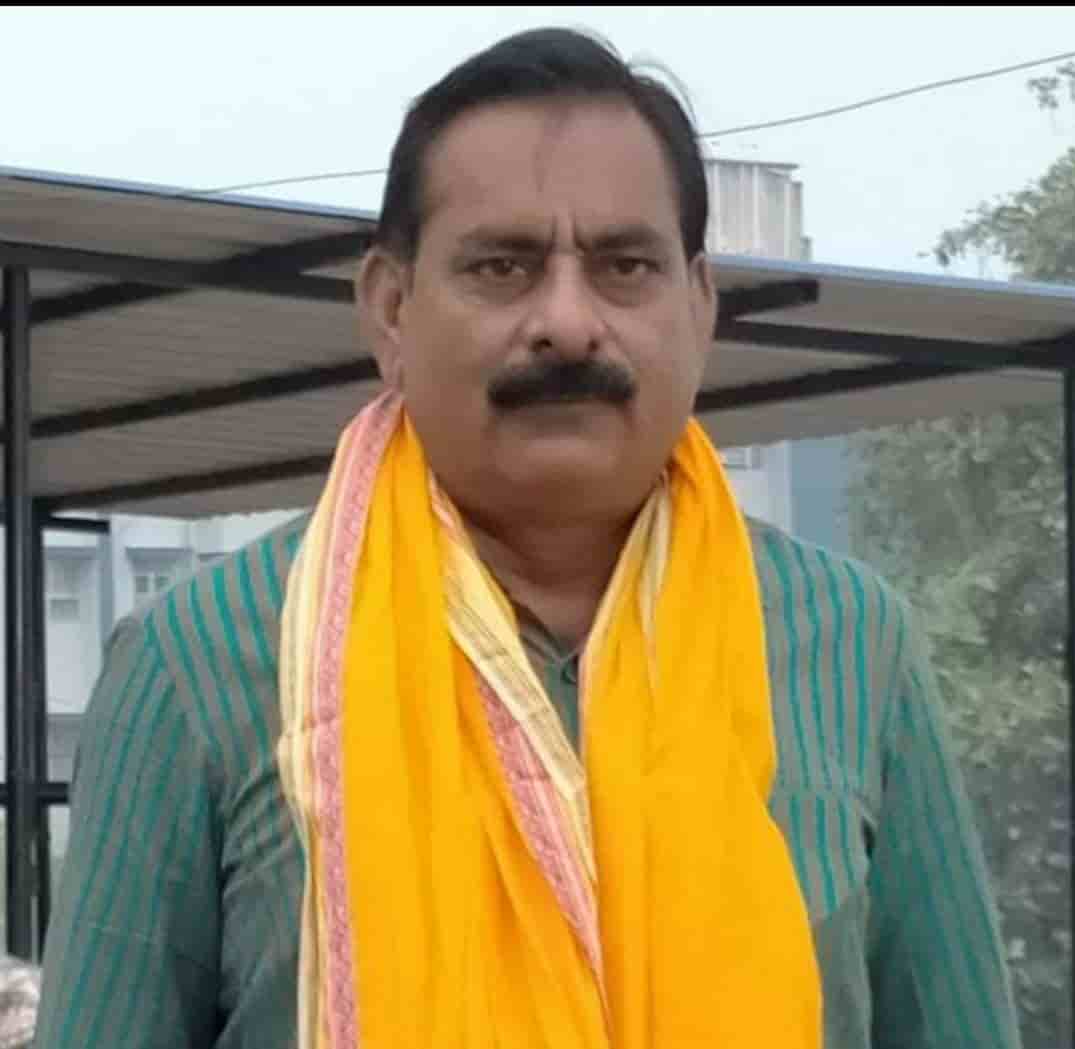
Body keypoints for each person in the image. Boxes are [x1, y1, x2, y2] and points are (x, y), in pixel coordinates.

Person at [36, 27, 1021, 1049]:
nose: (567, 321)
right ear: (390, 309)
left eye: (625, 265)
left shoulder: (852, 644)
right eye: (502, 266)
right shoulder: (199, 663)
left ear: (699, 307)